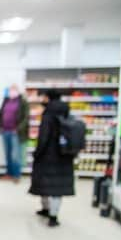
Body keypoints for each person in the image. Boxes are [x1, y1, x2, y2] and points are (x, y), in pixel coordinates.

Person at [29, 90, 75, 227]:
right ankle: (53, 216)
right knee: (58, 188)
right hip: (64, 155)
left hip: (48, 155)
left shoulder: (48, 114)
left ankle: (46, 209)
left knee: (45, 184)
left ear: (48, 98)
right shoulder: (67, 112)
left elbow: (44, 137)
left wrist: (37, 153)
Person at [0, 84, 29, 182]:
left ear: (18, 91)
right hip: (5, 131)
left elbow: (26, 118)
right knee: (7, 154)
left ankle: (16, 175)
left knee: (15, 155)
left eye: (14, 90)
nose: (12, 92)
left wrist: (18, 129)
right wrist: (0, 126)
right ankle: (9, 174)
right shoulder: (6, 101)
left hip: (16, 132)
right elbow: (0, 114)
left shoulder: (23, 102)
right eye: (10, 90)